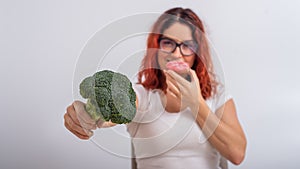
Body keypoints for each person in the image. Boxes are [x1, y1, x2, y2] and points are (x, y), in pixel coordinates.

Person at [64, 7, 247, 169]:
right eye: (168, 43)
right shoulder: (142, 96)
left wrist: (197, 103)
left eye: (187, 45)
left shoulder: (217, 96)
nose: (176, 54)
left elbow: (237, 154)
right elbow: (118, 107)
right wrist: (88, 115)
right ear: (156, 46)